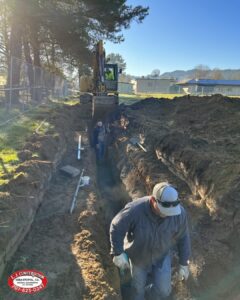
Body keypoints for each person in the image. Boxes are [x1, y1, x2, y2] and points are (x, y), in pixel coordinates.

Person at [110, 182, 191, 300]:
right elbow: (116, 226)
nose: (167, 215)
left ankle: (150, 294)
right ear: (154, 200)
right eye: (164, 210)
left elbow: (183, 237)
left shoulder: (178, 214)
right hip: (139, 257)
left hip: (161, 257)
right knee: (137, 291)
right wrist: (118, 252)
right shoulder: (135, 210)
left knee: (164, 291)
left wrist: (184, 264)